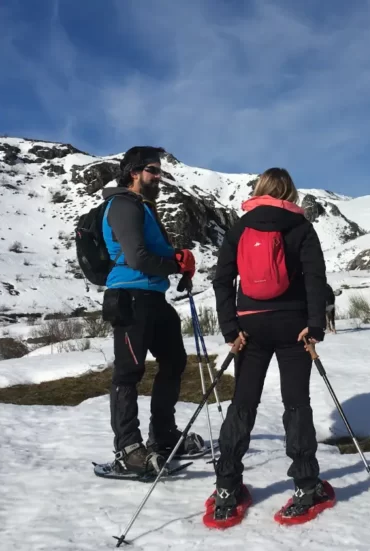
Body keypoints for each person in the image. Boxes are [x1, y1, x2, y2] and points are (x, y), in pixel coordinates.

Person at [209, 167, 331, 522]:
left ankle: (227, 487)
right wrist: (314, 326)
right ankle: (306, 485)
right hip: (294, 326)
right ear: (290, 193)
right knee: (296, 403)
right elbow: (315, 279)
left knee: (243, 403)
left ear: (259, 189)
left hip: (250, 326)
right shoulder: (301, 227)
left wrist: (231, 328)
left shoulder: (240, 227)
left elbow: (222, 280)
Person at [100, 146, 206, 476]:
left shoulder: (144, 208)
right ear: (133, 172)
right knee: (128, 374)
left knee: (174, 362)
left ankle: (162, 436)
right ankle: (128, 450)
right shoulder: (122, 205)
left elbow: (154, 254)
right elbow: (137, 258)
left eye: (159, 171)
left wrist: (178, 258)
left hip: (153, 298)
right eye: (152, 170)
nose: (158, 176)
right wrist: (174, 263)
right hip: (130, 297)